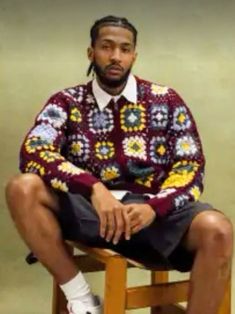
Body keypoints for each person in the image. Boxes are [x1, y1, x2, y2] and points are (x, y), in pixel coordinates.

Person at [5, 15, 233, 314]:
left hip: (152, 215)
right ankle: (82, 300)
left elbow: (190, 166)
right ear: (91, 52)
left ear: (134, 55)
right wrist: (93, 189)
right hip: (90, 213)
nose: (115, 56)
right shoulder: (67, 102)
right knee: (22, 188)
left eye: (125, 49)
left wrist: (156, 207)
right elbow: (34, 151)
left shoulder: (165, 100)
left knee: (218, 230)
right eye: (106, 47)